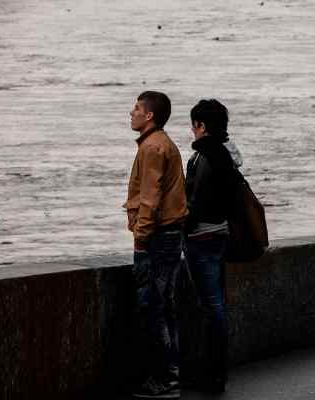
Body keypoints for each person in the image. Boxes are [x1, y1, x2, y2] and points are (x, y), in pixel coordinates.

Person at [124, 90, 188, 399]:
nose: (131, 113)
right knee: (166, 306)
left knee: (152, 307)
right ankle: (173, 374)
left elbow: (149, 200)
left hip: (157, 237)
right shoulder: (163, 144)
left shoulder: (152, 148)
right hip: (171, 235)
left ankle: (163, 379)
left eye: (136, 108)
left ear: (149, 116)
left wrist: (140, 239)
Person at [182, 98, 244, 394]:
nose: (192, 131)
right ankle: (216, 370)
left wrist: (184, 223)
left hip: (202, 237)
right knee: (216, 304)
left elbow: (198, 201)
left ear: (201, 125)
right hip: (220, 234)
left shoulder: (206, 156)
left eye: (194, 125)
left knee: (212, 307)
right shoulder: (228, 155)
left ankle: (213, 373)